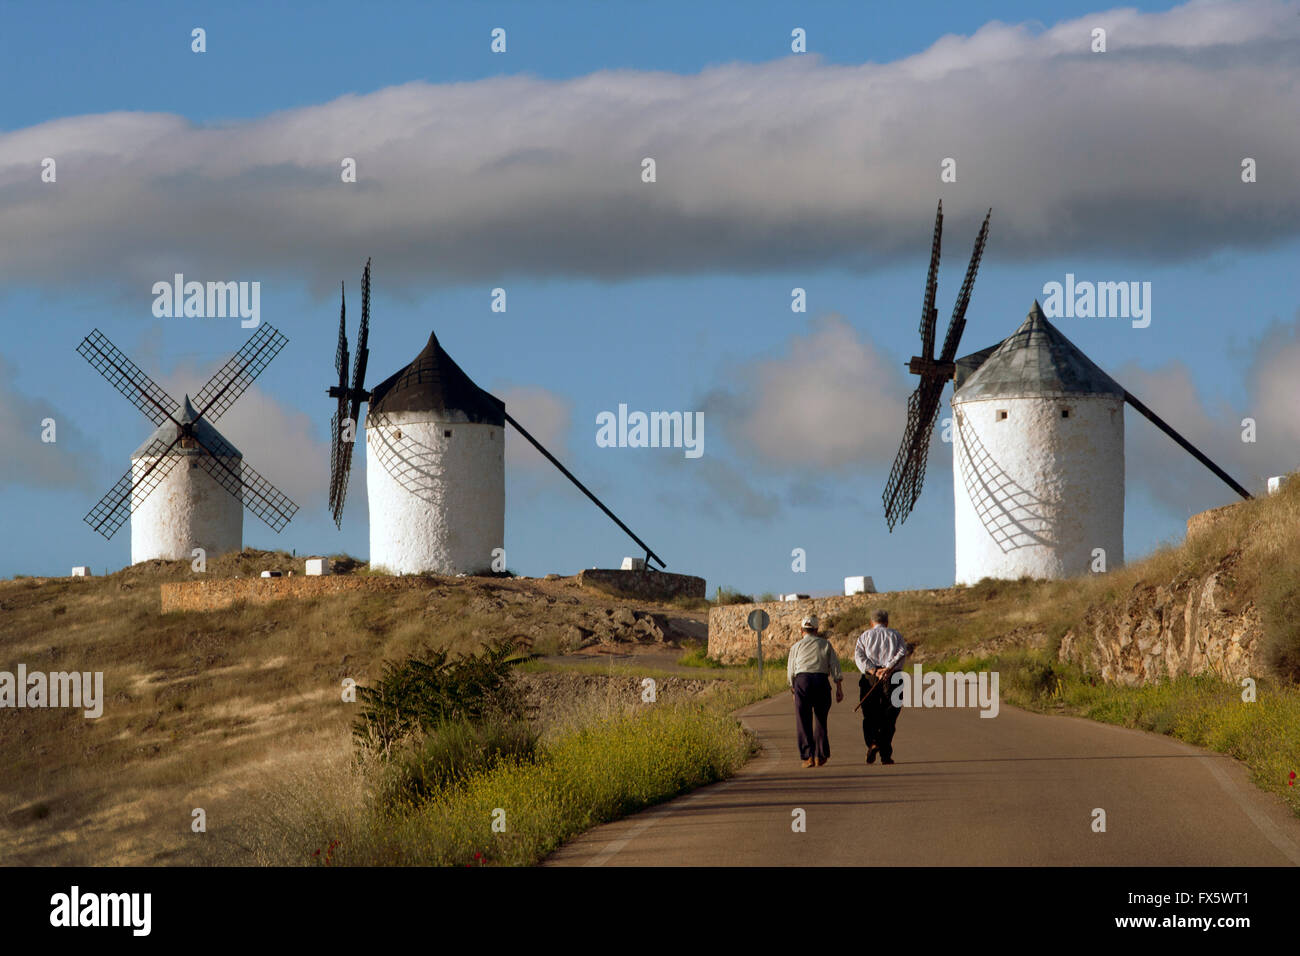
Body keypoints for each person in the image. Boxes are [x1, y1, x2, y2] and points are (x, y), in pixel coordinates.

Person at [786, 615, 844, 768]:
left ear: (801, 631)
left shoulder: (796, 647)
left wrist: (793, 690)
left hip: (802, 681)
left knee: (803, 720)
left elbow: (791, 671)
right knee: (820, 719)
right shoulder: (825, 644)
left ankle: (808, 757)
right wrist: (839, 688)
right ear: (817, 630)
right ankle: (820, 755)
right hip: (821, 681)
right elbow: (835, 666)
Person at [853, 609, 908, 765]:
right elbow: (902, 652)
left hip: (870, 678)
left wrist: (874, 671)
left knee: (870, 715)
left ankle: (873, 743)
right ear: (887, 622)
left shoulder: (864, 636)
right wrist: (889, 668)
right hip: (894, 677)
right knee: (890, 716)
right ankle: (885, 755)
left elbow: (859, 656)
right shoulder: (896, 635)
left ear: (871, 623)